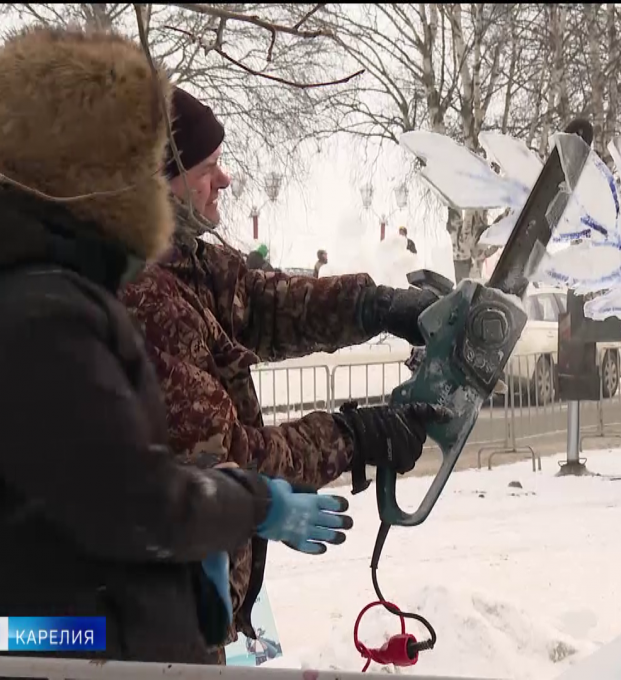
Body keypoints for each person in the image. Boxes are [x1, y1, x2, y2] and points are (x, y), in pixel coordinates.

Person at [0, 26, 353, 665]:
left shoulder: (3, 289)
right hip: (28, 662)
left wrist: (177, 585)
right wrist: (250, 504)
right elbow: (133, 507)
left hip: (11, 652)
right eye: (141, 160)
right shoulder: (28, 313)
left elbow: (68, 511)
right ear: (95, 173)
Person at [119, 86, 449, 663]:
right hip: (146, 629)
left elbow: (264, 302)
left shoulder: (188, 262)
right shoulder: (145, 298)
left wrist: (380, 307)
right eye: (207, 167)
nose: (223, 180)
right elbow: (231, 459)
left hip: (182, 611)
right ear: (159, 181)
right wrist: (353, 437)